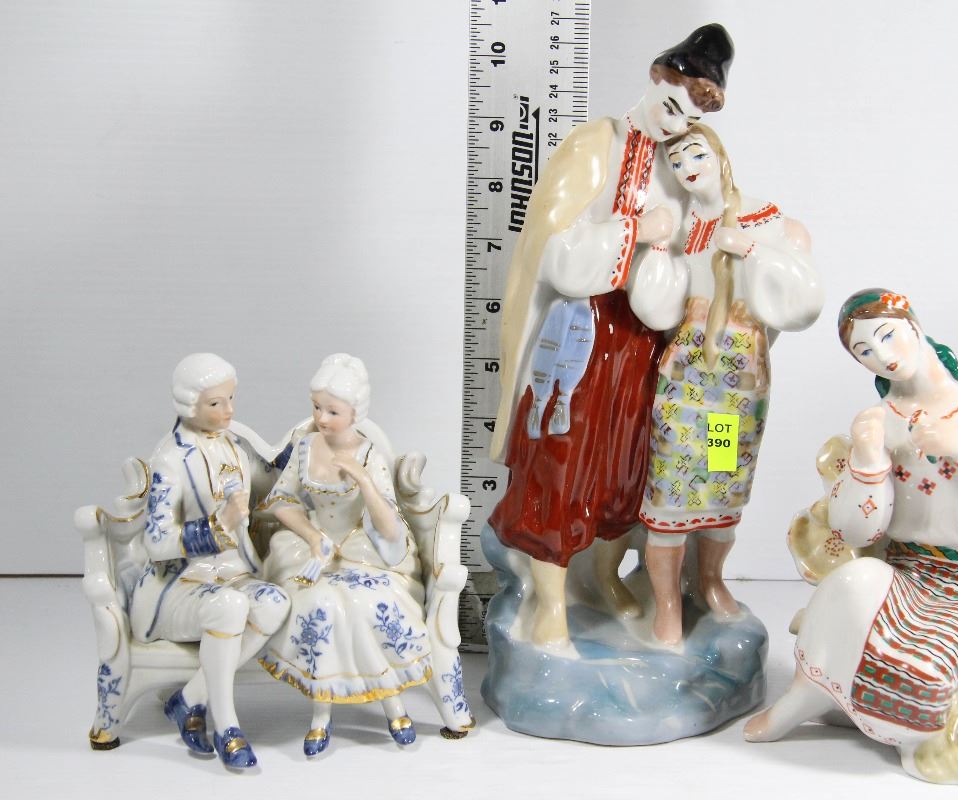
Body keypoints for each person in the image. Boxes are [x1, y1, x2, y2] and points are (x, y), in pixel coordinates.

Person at [489, 24, 735, 648]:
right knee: (561, 461)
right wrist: (632, 233)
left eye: (690, 118)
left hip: (640, 345)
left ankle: (602, 575)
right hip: (578, 334)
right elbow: (554, 250)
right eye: (672, 103)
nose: (676, 124)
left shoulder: (680, 166)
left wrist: (665, 257)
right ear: (656, 78)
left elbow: (681, 271)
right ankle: (550, 601)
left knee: (627, 466)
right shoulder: (593, 144)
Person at [743, 291, 958, 783]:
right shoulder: (881, 421)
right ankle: (805, 697)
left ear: (914, 326)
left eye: (887, 336)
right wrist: (867, 460)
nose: (882, 355)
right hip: (901, 571)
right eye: (864, 351)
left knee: (927, 669)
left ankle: (913, 733)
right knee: (852, 584)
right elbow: (856, 529)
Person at [627, 124, 822, 644]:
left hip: (732, 389)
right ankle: (668, 602)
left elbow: (801, 300)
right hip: (686, 377)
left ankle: (709, 581)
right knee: (671, 484)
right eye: (676, 161)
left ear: (719, 155)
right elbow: (657, 309)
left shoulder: (766, 220)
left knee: (718, 481)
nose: (688, 167)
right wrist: (658, 246)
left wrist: (751, 249)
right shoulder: (682, 224)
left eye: (696, 154)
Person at [258, 354, 472, 757]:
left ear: (355, 413)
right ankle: (321, 714)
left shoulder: (370, 455)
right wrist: (312, 535)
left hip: (363, 549)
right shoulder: (304, 448)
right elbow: (281, 501)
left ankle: (392, 704)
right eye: (316, 407)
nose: (321, 418)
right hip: (312, 547)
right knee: (321, 604)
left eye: (332, 411)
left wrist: (364, 481)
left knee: (366, 604)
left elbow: (389, 529)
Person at [128, 353, 291, 769]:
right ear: (189, 405)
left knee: (275, 602)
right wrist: (219, 524)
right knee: (230, 606)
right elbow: (156, 541)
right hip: (180, 586)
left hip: (233, 575)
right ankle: (227, 727)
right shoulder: (171, 459)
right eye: (216, 403)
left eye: (231, 398)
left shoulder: (233, 446)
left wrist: (307, 445)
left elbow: (271, 476)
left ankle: (190, 699)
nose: (229, 410)